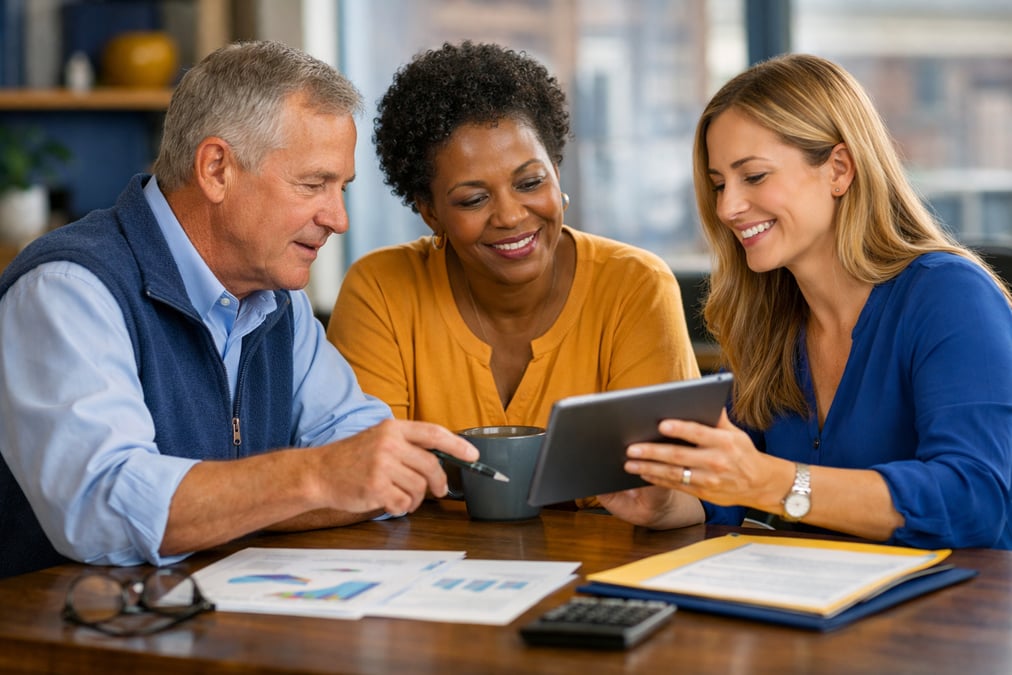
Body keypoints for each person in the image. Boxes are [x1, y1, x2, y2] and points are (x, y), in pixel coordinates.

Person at [0, 41, 479, 579]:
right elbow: (100, 514)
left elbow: (374, 469)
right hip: (65, 648)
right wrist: (313, 478)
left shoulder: (279, 301)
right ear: (216, 169)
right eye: (313, 184)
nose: (338, 218)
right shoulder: (68, 290)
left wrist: (254, 496)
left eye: (341, 188)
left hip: (212, 626)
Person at [599, 53, 1012, 549]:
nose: (728, 207)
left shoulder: (950, 295)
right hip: (819, 608)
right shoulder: (772, 317)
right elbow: (729, 484)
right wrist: (666, 503)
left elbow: (977, 499)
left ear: (839, 169)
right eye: (718, 185)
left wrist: (774, 482)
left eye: (753, 177)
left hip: (945, 617)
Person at [327, 41, 699, 442]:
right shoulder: (381, 290)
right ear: (430, 212)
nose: (511, 216)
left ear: (556, 174)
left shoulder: (635, 285)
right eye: (474, 199)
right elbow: (368, 477)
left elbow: (663, 485)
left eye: (530, 183)